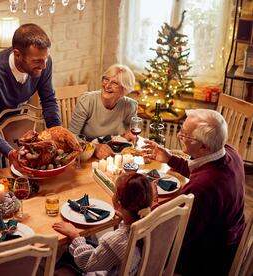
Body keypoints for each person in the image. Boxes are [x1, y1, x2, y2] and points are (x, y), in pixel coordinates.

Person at [143, 109, 246, 276]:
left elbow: (175, 235)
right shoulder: (229, 152)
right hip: (231, 237)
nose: (178, 136)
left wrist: (153, 204)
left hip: (209, 259)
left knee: (139, 238)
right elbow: (203, 169)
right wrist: (170, 159)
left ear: (204, 146)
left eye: (185, 135)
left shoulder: (201, 188)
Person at [0, 23, 61, 171]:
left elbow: (49, 101)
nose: (44, 66)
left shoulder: (44, 61)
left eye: (46, 59)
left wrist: (58, 134)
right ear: (17, 55)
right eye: (37, 61)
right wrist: (10, 152)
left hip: (18, 119)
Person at [53, 173, 153, 275]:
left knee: (66, 257)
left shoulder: (117, 240)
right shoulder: (148, 221)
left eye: (114, 193)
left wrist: (74, 235)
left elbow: (87, 264)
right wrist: (124, 216)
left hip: (100, 270)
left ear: (119, 203)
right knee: (87, 242)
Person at [68, 64, 137, 160]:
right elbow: (71, 136)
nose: (107, 85)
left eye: (114, 83)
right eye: (106, 79)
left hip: (112, 156)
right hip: (86, 156)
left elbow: (132, 130)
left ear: (124, 89)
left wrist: (129, 134)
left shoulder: (129, 105)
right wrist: (94, 147)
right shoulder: (87, 101)